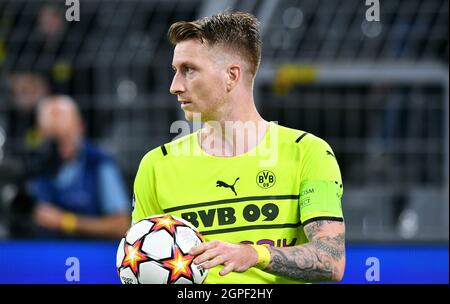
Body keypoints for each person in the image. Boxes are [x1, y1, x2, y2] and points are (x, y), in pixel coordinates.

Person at [132, 11, 345, 283]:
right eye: (175, 71)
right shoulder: (156, 166)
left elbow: (331, 260)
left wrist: (254, 255)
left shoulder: (308, 153)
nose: (175, 86)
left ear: (231, 76)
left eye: (189, 70)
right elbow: (142, 263)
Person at [29, 95, 130, 238]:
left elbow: (121, 225)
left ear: (80, 126)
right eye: (53, 141)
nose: (60, 150)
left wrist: (65, 222)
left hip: (88, 253)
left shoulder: (98, 163)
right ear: (40, 134)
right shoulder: (33, 165)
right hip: (40, 251)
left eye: (66, 138)